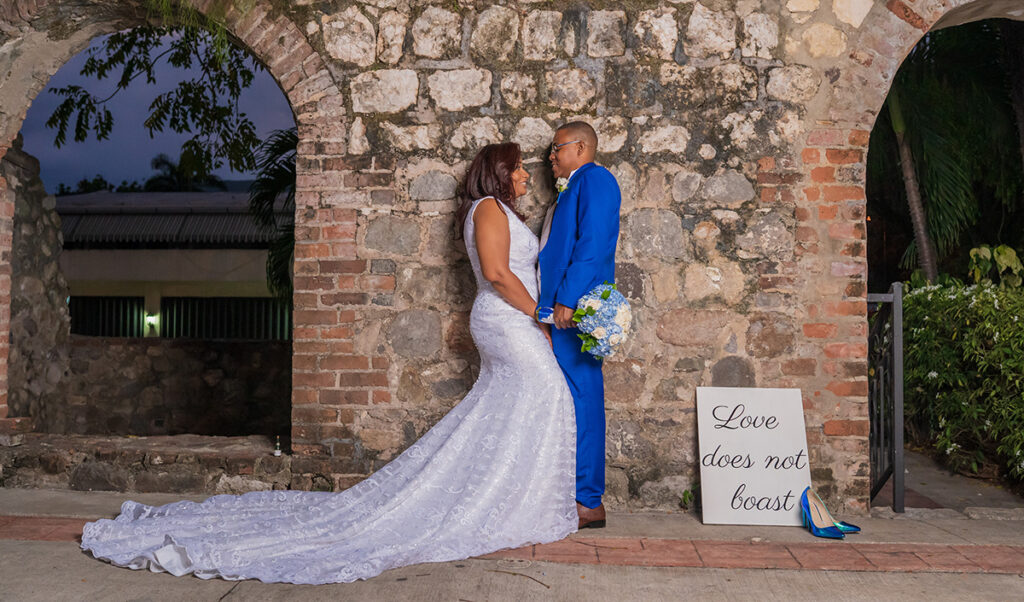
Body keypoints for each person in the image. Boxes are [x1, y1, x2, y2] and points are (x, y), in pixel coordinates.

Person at [79, 142, 578, 585]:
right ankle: (501, 499)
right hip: (506, 318)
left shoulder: (496, 209)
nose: (524, 174)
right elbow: (496, 273)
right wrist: (538, 315)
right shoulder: (488, 208)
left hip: (509, 318)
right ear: (497, 171)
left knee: (507, 407)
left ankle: (507, 496)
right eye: (517, 167)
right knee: (547, 392)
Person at [537, 122, 622, 529]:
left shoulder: (596, 179)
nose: (551, 156)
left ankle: (588, 501)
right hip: (558, 310)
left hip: (576, 312)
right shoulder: (572, 187)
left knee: (584, 400)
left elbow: (594, 243)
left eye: (557, 148)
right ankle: (568, 493)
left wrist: (567, 299)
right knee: (567, 401)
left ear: (582, 147)